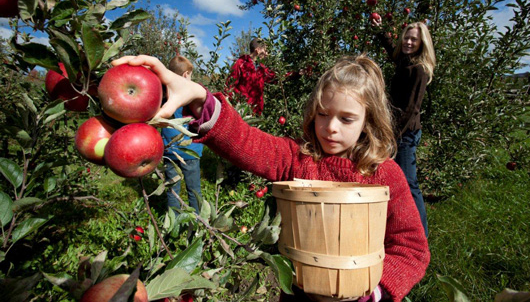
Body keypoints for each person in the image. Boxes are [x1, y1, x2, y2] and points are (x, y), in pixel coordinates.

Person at [111, 54, 430, 302]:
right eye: (323, 114)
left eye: (346, 119)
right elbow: (246, 141)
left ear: (368, 120)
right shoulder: (300, 159)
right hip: (299, 295)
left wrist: (378, 291)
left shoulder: (385, 174)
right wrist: (199, 98)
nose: (331, 127)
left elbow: (412, 249)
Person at [373, 19, 436, 238]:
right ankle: (396, 224)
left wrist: (393, 135)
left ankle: (421, 235)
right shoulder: (405, 61)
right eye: (406, 38)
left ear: (422, 43)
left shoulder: (419, 70)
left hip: (405, 133)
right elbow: (393, 51)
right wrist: (381, 30)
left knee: (409, 183)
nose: (409, 42)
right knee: (395, 180)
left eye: (414, 39)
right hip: (397, 130)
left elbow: (411, 109)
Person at [161, 55, 204, 214]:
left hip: (169, 150)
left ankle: (173, 227)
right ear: (186, 74)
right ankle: (198, 226)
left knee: (172, 191)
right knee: (194, 191)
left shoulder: (163, 93)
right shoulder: (191, 92)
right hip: (190, 150)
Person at [225, 37, 275, 115]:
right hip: (242, 112)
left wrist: (296, 73)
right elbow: (229, 86)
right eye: (265, 50)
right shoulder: (241, 63)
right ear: (258, 50)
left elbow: (274, 78)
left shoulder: (262, 68)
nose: (266, 54)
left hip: (256, 112)